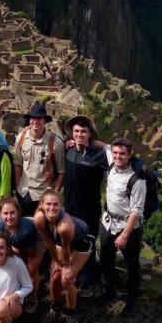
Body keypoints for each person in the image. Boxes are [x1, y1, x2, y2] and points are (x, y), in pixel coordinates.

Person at [33, 189, 94, 323]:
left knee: (66, 280)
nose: (52, 208)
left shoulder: (64, 226)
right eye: (48, 204)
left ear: (61, 206)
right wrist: (55, 260)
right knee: (54, 276)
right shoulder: (39, 219)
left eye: (55, 205)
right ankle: (55, 307)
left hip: (83, 242)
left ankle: (71, 315)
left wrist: (65, 266)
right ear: (42, 205)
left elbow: (66, 248)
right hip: (61, 241)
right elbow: (49, 241)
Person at [62, 114, 110, 297]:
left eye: (83, 131)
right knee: (72, 242)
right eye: (76, 131)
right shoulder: (69, 150)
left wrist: (104, 145)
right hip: (70, 207)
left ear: (90, 134)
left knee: (88, 243)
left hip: (89, 209)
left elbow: (119, 156)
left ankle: (87, 281)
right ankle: (76, 274)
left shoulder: (99, 155)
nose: (79, 134)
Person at [98, 138, 146, 317]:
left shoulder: (136, 180)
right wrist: (71, 141)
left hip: (127, 228)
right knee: (106, 258)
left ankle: (132, 301)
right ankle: (108, 291)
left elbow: (137, 211)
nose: (118, 156)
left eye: (122, 154)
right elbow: (104, 146)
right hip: (108, 222)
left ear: (130, 155)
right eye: (116, 153)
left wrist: (124, 235)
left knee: (132, 265)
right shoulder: (112, 164)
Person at [0, 195, 45, 314]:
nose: (9, 217)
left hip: (37, 237)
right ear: (0, 214)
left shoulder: (27, 229)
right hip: (18, 238)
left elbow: (31, 253)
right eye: (5, 213)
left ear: (18, 213)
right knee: (11, 262)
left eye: (12, 213)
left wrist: (21, 259)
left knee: (31, 270)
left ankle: (32, 298)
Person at [13, 101, 65, 216]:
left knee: (41, 231)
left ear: (44, 120)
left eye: (39, 118)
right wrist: (17, 185)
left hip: (43, 196)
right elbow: (18, 163)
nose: (35, 121)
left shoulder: (55, 143)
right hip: (23, 192)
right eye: (33, 118)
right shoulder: (21, 138)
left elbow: (61, 171)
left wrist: (55, 194)